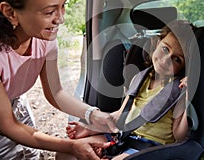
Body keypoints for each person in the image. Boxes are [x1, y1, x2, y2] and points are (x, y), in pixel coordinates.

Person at [0, 0, 117, 159]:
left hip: (14, 110)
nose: (61, 19)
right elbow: (7, 125)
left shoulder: (44, 37)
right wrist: (71, 146)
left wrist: (94, 115)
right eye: (49, 12)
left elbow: (56, 93)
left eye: (63, 6)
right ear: (10, 12)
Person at [65, 20, 193, 160]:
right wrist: (90, 128)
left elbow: (179, 135)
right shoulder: (139, 79)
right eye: (165, 49)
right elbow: (119, 116)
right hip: (124, 138)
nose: (166, 60)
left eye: (177, 59)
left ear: (184, 66)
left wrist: (188, 96)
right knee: (67, 154)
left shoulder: (179, 90)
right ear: (157, 44)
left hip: (151, 147)